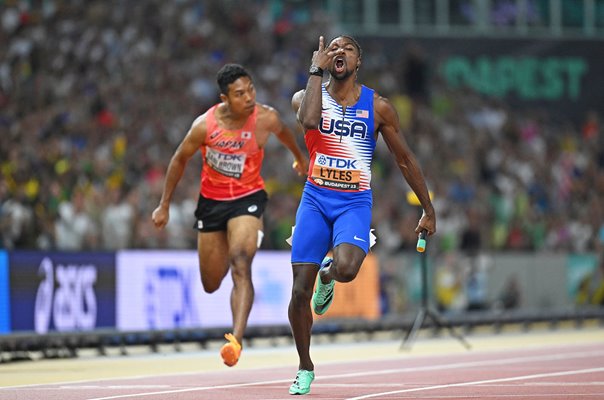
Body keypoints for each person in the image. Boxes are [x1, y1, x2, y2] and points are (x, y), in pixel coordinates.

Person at [287, 36, 436, 395]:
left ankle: (329, 274)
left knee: (349, 268)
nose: (340, 51)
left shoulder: (379, 107)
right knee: (297, 293)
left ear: (359, 62)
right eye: (333, 48)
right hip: (315, 199)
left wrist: (428, 208)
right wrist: (315, 71)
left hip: (353, 202)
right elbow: (308, 122)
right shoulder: (307, 95)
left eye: (348, 48)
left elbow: (405, 159)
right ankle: (305, 365)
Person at [152, 63, 308, 367]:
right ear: (225, 98)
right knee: (211, 282)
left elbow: (285, 133)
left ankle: (235, 341)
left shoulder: (265, 117)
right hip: (211, 204)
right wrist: (164, 204)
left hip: (247, 200)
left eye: (250, 89)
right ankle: (224, 246)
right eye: (240, 94)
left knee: (241, 263)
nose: (249, 97)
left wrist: (299, 158)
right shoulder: (204, 126)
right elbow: (179, 159)